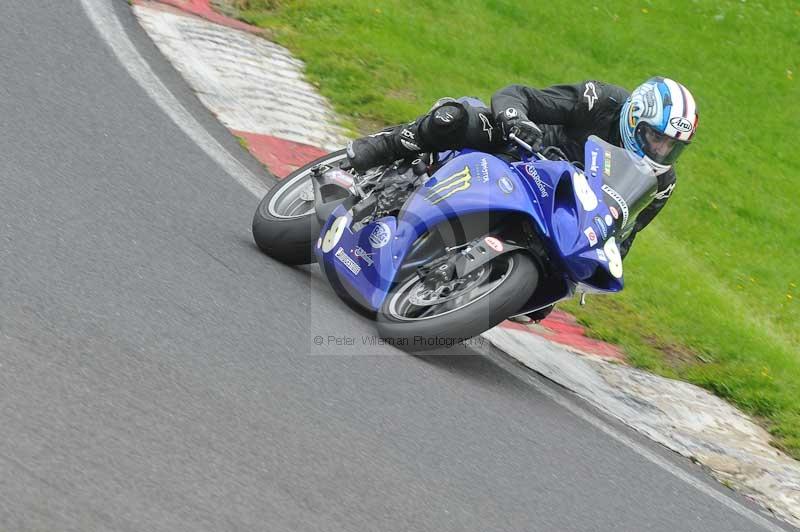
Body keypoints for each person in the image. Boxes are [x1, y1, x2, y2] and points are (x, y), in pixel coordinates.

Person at [346, 77, 698, 322]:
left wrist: (582, 273)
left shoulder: (661, 182)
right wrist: (516, 120)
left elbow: (624, 235)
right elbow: (520, 95)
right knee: (452, 117)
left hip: (561, 209)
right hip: (521, 153)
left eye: (672, 146)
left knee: (548, 290)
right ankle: (384, 146)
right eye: (656, 137)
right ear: (635, 118)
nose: (661, 150)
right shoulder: (601, 101)